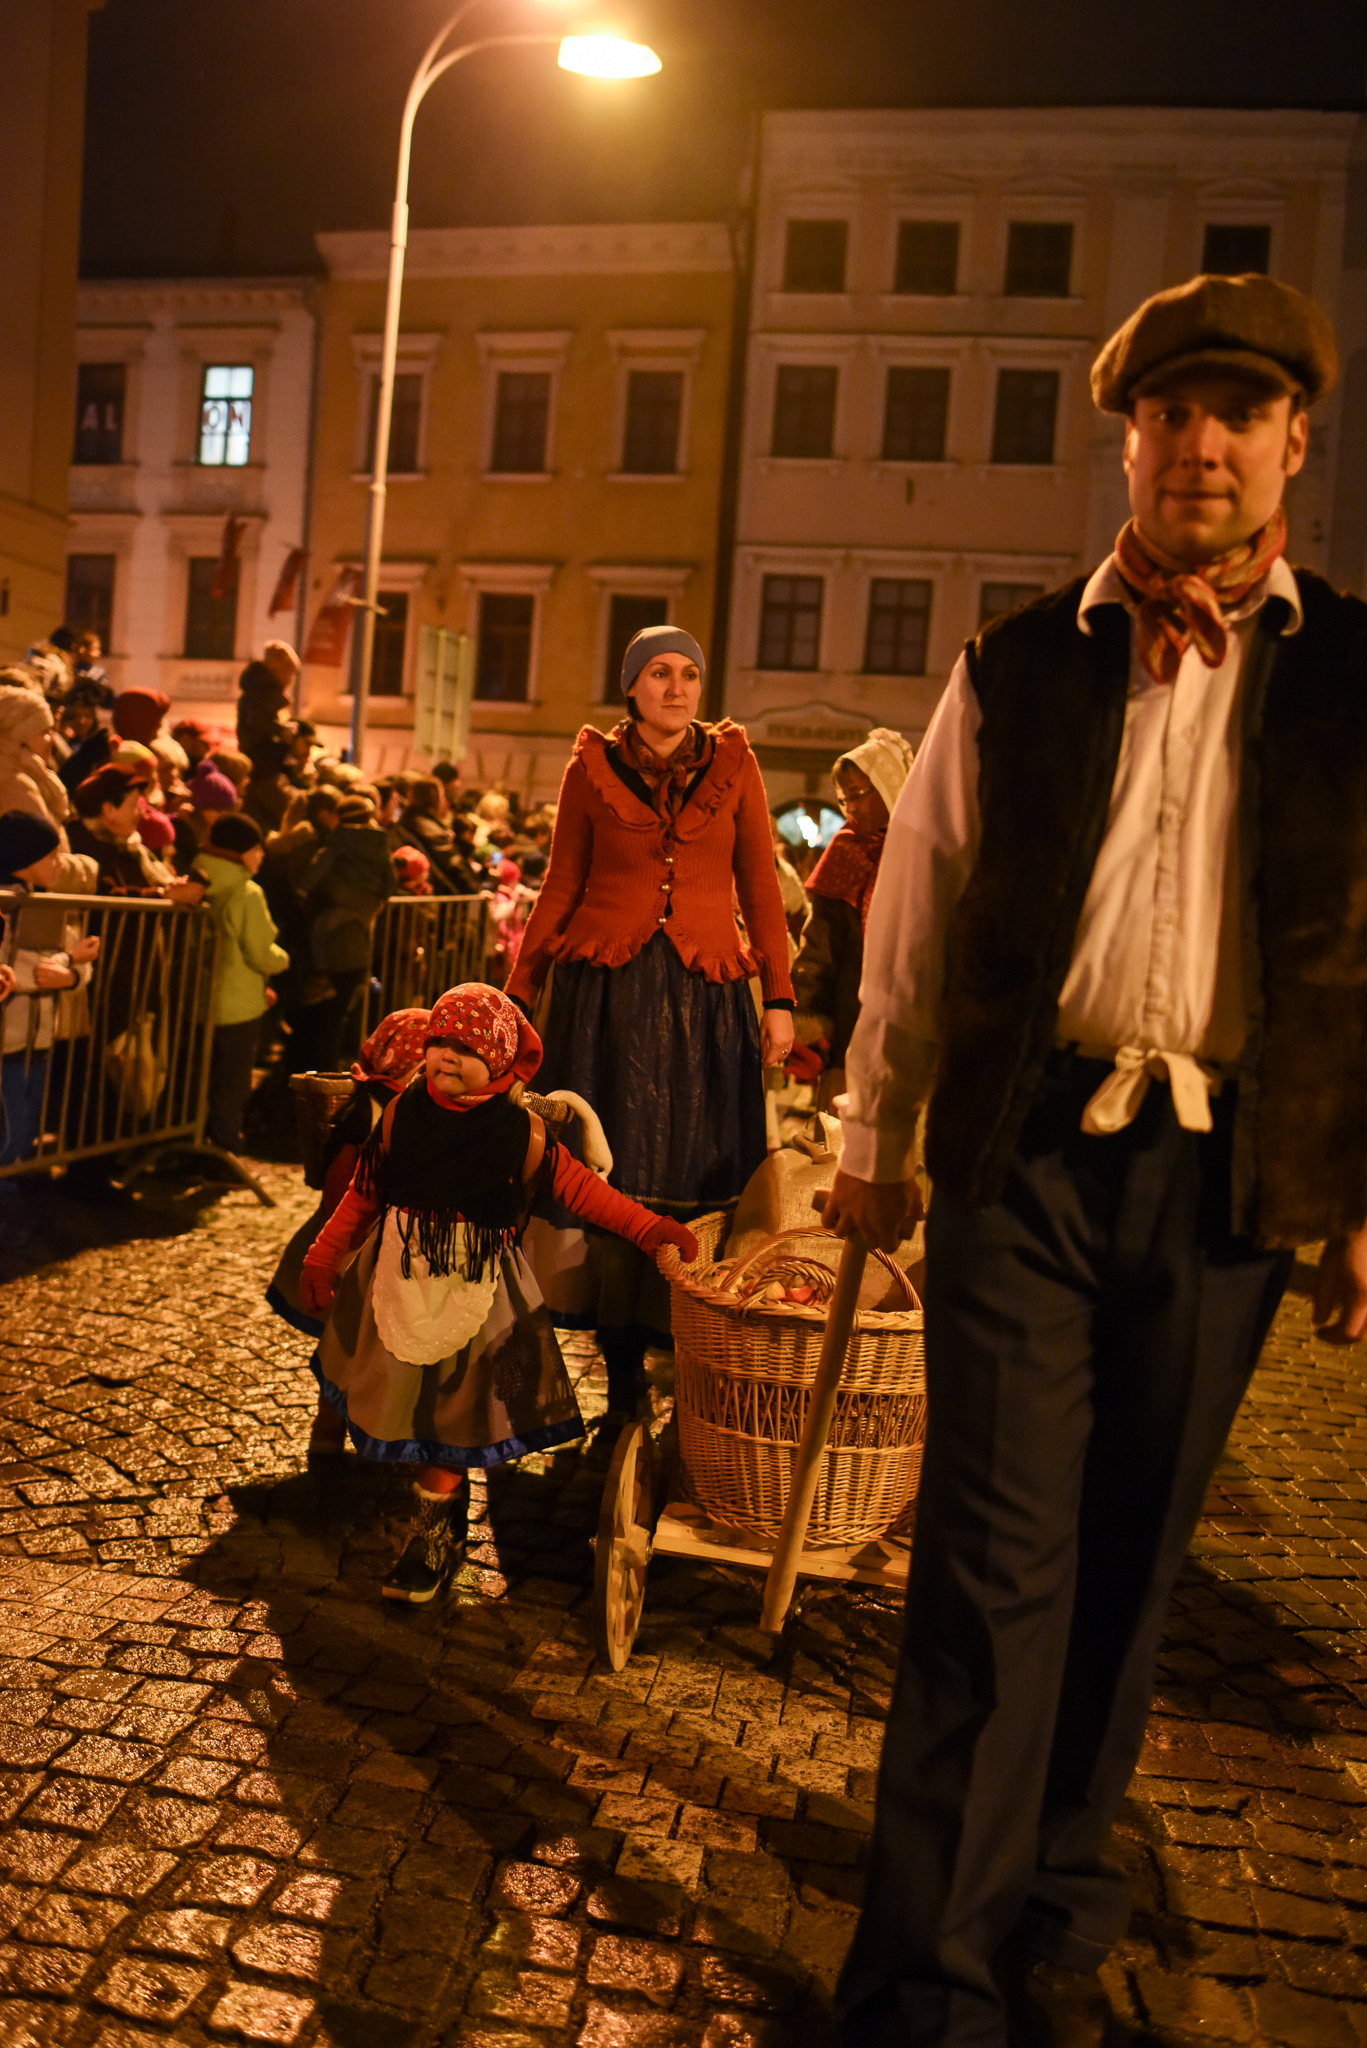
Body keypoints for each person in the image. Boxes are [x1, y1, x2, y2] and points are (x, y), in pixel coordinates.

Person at [823, 272, 1367, 2048]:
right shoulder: (1014, 661)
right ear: (1126, 440)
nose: (1198, 444)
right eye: (1167, 413)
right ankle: (928, 1984)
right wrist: (870, 1132)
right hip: (1025, 1156)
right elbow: (917, 910)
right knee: (987, 1571)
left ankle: (1058, 1897)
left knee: (1132, 1560)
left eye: (1237, 414)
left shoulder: (1353, 670)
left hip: (1225, 1184)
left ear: (1293, 441)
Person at [297, 984, 699, 1602]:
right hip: (398, 1279)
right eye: (439, 1042)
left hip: (480, 1297)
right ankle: (442, 1521)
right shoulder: (403, 1113)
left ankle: (433, 1539)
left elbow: (586, 1192)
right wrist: (324, 1255)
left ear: (501, 1061)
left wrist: (648, 1228)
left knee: (452, 1418)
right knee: (409, 1408)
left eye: (466, 1048)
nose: (446, 1056)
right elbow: (364, 1191)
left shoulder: (525, 1134)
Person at [507, 625, 795, 1415]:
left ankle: (687, 1348)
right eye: (659, 673)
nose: (676, 687)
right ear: (631, 686)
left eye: (689, 674)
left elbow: (759, 886)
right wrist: (517, 994)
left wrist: (777, 998)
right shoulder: (588, 769)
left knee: (701, 1181)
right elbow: (561, 883)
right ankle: (622, 1370)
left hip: (705, 1003)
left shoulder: (735, 763)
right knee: (609, 1177)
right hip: (607, 1001)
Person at [788, 728, 914, 1112]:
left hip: (913, 1029)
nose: (849, 808)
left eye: (858, 794)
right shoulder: (845, 849)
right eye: (843, 799)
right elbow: (818, 949)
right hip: (851, 1028)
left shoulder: (924, 853)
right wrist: (807, 1027)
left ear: (890, 787)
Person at [0, 814, 99, 1180]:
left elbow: (74, 957)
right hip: (8, 1039)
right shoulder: (6, 903)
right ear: (24, 858)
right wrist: (66, 964)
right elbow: (13, 969)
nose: (60, 863)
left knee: (25, 1126)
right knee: (9, 1131)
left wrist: (71, 974)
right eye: (51, 855)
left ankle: (11, 1191)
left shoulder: (46, 901)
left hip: (39, 1038)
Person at [198, 814, 289, 1154]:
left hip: (197, 1000)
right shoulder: (247, 892)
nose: (261, 855)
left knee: (199, 1080)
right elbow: (261, 952)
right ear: (239, 852)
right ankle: (224, 1149)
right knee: (232, 1081)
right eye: (256, 848)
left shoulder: (198, 880)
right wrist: (283, 959)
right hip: (237, 1003)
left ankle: (193, 1144)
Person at [0, 684, 98, 897]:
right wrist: (91, 871)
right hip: (30, 910)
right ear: (18, 734)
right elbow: (45, 869)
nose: (53, 740)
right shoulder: (13, 785)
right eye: (45, 732)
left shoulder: (30, 776)